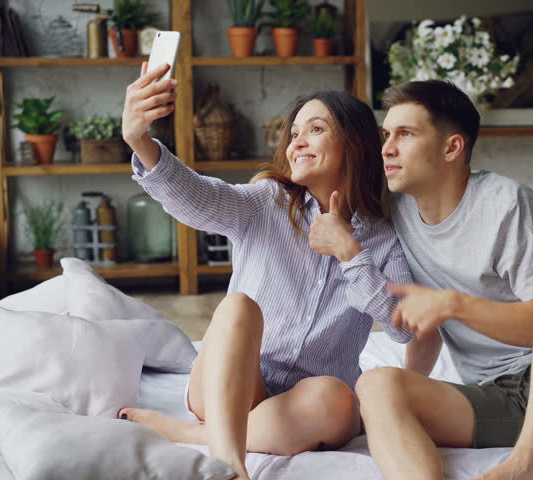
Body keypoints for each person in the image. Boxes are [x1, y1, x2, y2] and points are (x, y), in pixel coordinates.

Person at [118, 62, 413, 480]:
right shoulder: (268, 201)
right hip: (230, 383)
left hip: (310, 404)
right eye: (294, 134)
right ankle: (229, 465)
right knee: (237, 307)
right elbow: (197, 196)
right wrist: (140, 140)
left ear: (356, 144)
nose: (297, 142)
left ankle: (191, 434)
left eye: (315, 129)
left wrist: (350, 253)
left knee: (339, 398)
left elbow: (403, 328)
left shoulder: (383, 238)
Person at [356, 80, 533, 480]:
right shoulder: (399, 211)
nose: (387, 147)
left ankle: (528, 462)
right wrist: (403, 400)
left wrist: (452, 305)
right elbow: (426, 328)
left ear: (451, 148)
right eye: (386, 135)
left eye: (405, 134)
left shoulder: (506, 203)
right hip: (504, 399)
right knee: (375, 386)